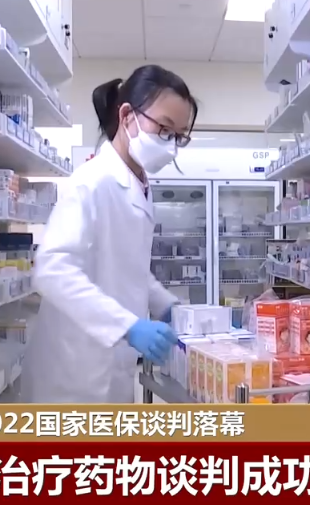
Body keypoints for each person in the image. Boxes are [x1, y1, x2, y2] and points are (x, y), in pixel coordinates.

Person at [22, 65, 198, 403]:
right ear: (127, 116)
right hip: (73, 370)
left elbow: (128, 265)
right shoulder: (92, 181)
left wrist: (167, 306)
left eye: (178, 137)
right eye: (163, 129)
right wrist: (128, 326)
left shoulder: (139, 184)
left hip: (114, 364)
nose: (170, 145)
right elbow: (53, 269)